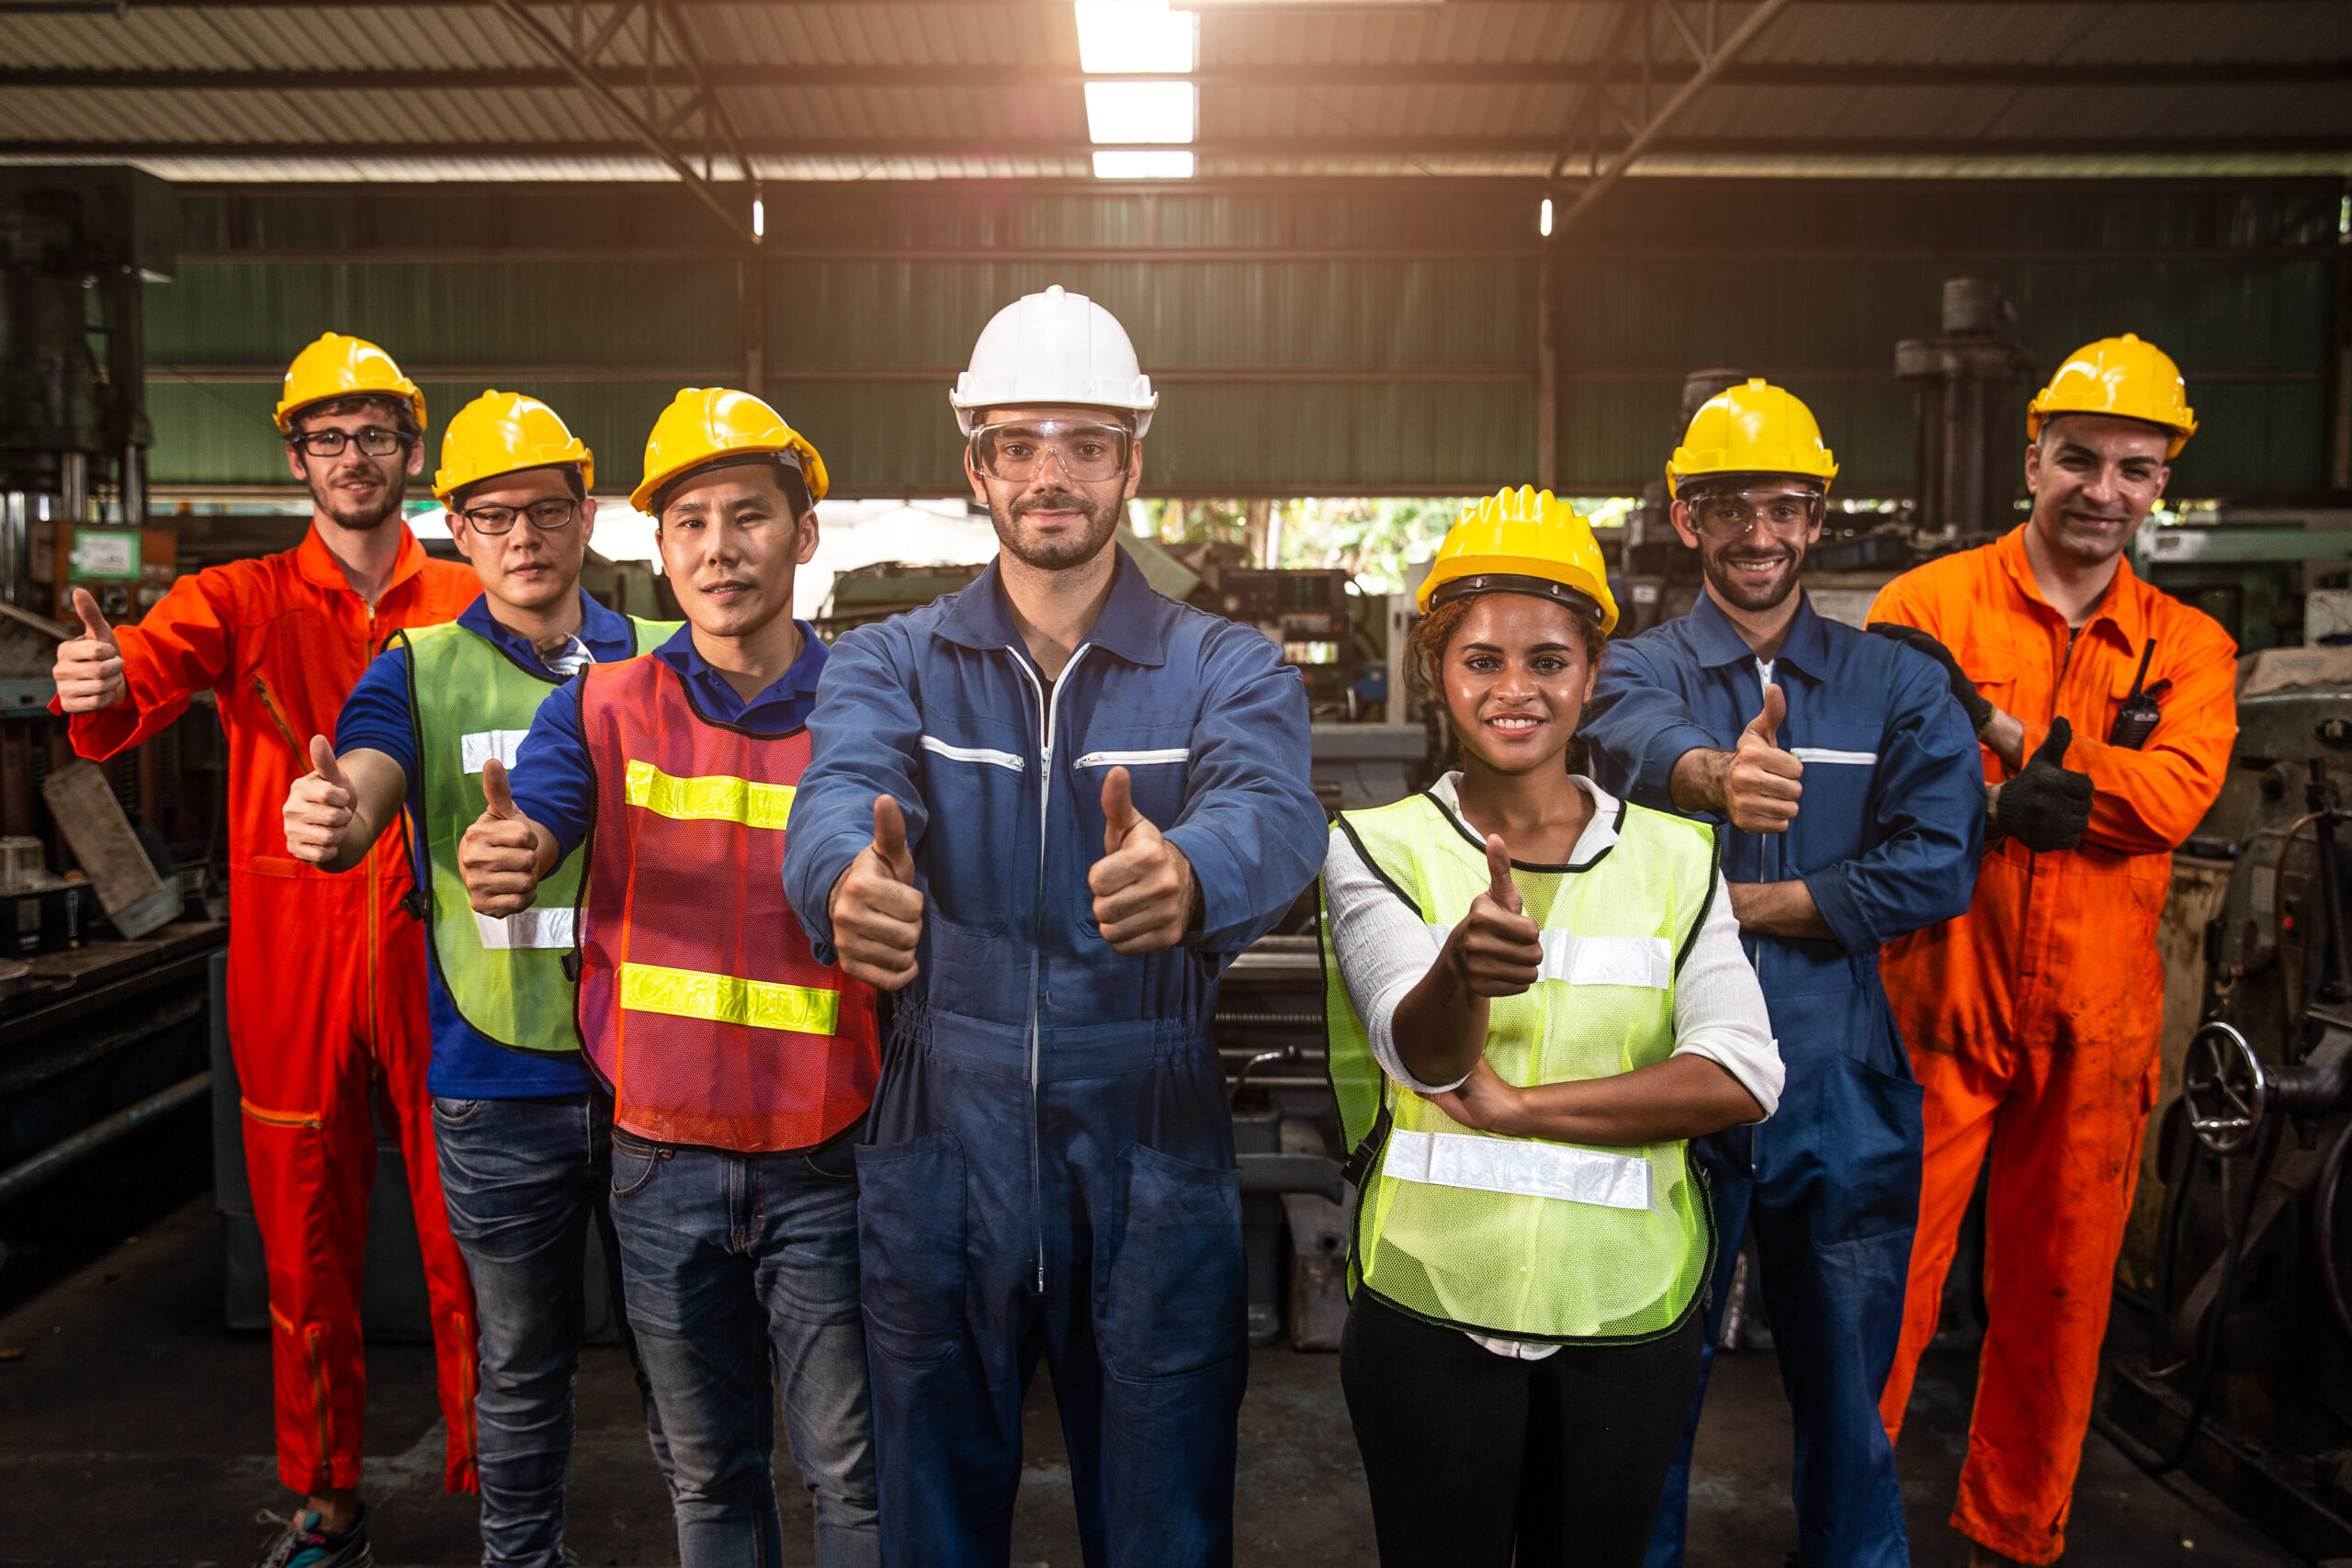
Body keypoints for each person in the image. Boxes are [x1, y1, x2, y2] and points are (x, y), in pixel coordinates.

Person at [779, 284, 1327, 1567]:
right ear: (974, 462)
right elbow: (833, 794)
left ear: (1133, 460)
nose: (1050, 473)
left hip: (1148, 1123)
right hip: (938, 1122)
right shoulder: (890, 661)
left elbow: (1277, 809)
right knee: (932, 1508)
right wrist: (842, 885)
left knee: (1162, 1510)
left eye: (1084, 442)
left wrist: (1191, 867)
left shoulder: (1222, 665)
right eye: (1019, 442)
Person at [51, 333, 481, 1565]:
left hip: (439, 942)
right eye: (330, 437)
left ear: (412, 450)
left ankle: (496, 1467)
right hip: (293, 956)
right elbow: (143, 667)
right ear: (298, 456)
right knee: (303, 1236)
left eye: (377, 435)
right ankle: (329, 1491)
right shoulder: (239, 600)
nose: (355, 457)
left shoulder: (466, 598)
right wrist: (98, 671)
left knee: (475, 1226)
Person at [455, 388, 882, 1568]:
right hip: (660, 1158)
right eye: (689, 522)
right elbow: (536, 817)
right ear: (658, 548)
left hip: (829, 1154)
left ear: (802, 535)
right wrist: (512, 853)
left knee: (855, 1477)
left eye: (748, 517)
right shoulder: (599, 704)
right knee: (707, 1476)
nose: (718, 549)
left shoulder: (869, 707)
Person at [1320, 486, 1782, 1568]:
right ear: (1438, 672)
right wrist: (1462, 975)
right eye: (1481, 660)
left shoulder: (1678, 857)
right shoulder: (1376, 844)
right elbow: (1419, 1050)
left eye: (1547, 661)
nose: (1514, 689)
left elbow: (1740, 1072)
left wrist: (1523, 1107)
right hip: (1430, 1311)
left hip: (1625, 1315)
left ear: (1594, 677)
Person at [1577, 379, 1987, 1568]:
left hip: (1837, 1078)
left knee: (1851, 1407)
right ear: (1684, 516)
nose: (1760, 534)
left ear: (1819, 519)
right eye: (1732, 508)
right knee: (1642, 1395)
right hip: (1661, 1063)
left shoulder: (1897, 683)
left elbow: (1938, 862)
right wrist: (1712, 773)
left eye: (1786, 508)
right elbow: (1621, 740)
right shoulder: (1629, 669)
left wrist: (1743, 904)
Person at [279, 389, 678, 1566]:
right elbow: (361, 788)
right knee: (519, 1369)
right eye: (492, 515)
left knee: (690, 1366)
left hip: (657, 1077)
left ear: (587, 516)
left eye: (546, 511)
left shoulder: (667, 662)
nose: (523, 538)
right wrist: (335, 814)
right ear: (454, 526)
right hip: (495, 1082)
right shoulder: (415, 670)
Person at [1869, 335, 2237, 1568]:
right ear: (2034, 457)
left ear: (2162, 484)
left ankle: (2013, 1537)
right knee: (1879, 1295)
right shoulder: (1925, 607)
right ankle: (1845, 1527)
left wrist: (2014, 743)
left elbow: (2176, 796)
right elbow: (1878, 780)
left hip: (2095, 1023)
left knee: (2060, 1303)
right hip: (1934, 1000)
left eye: (2135, 468)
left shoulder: (2188, 646)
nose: (2102, 489)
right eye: (2079, 458)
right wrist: (1999, 799)